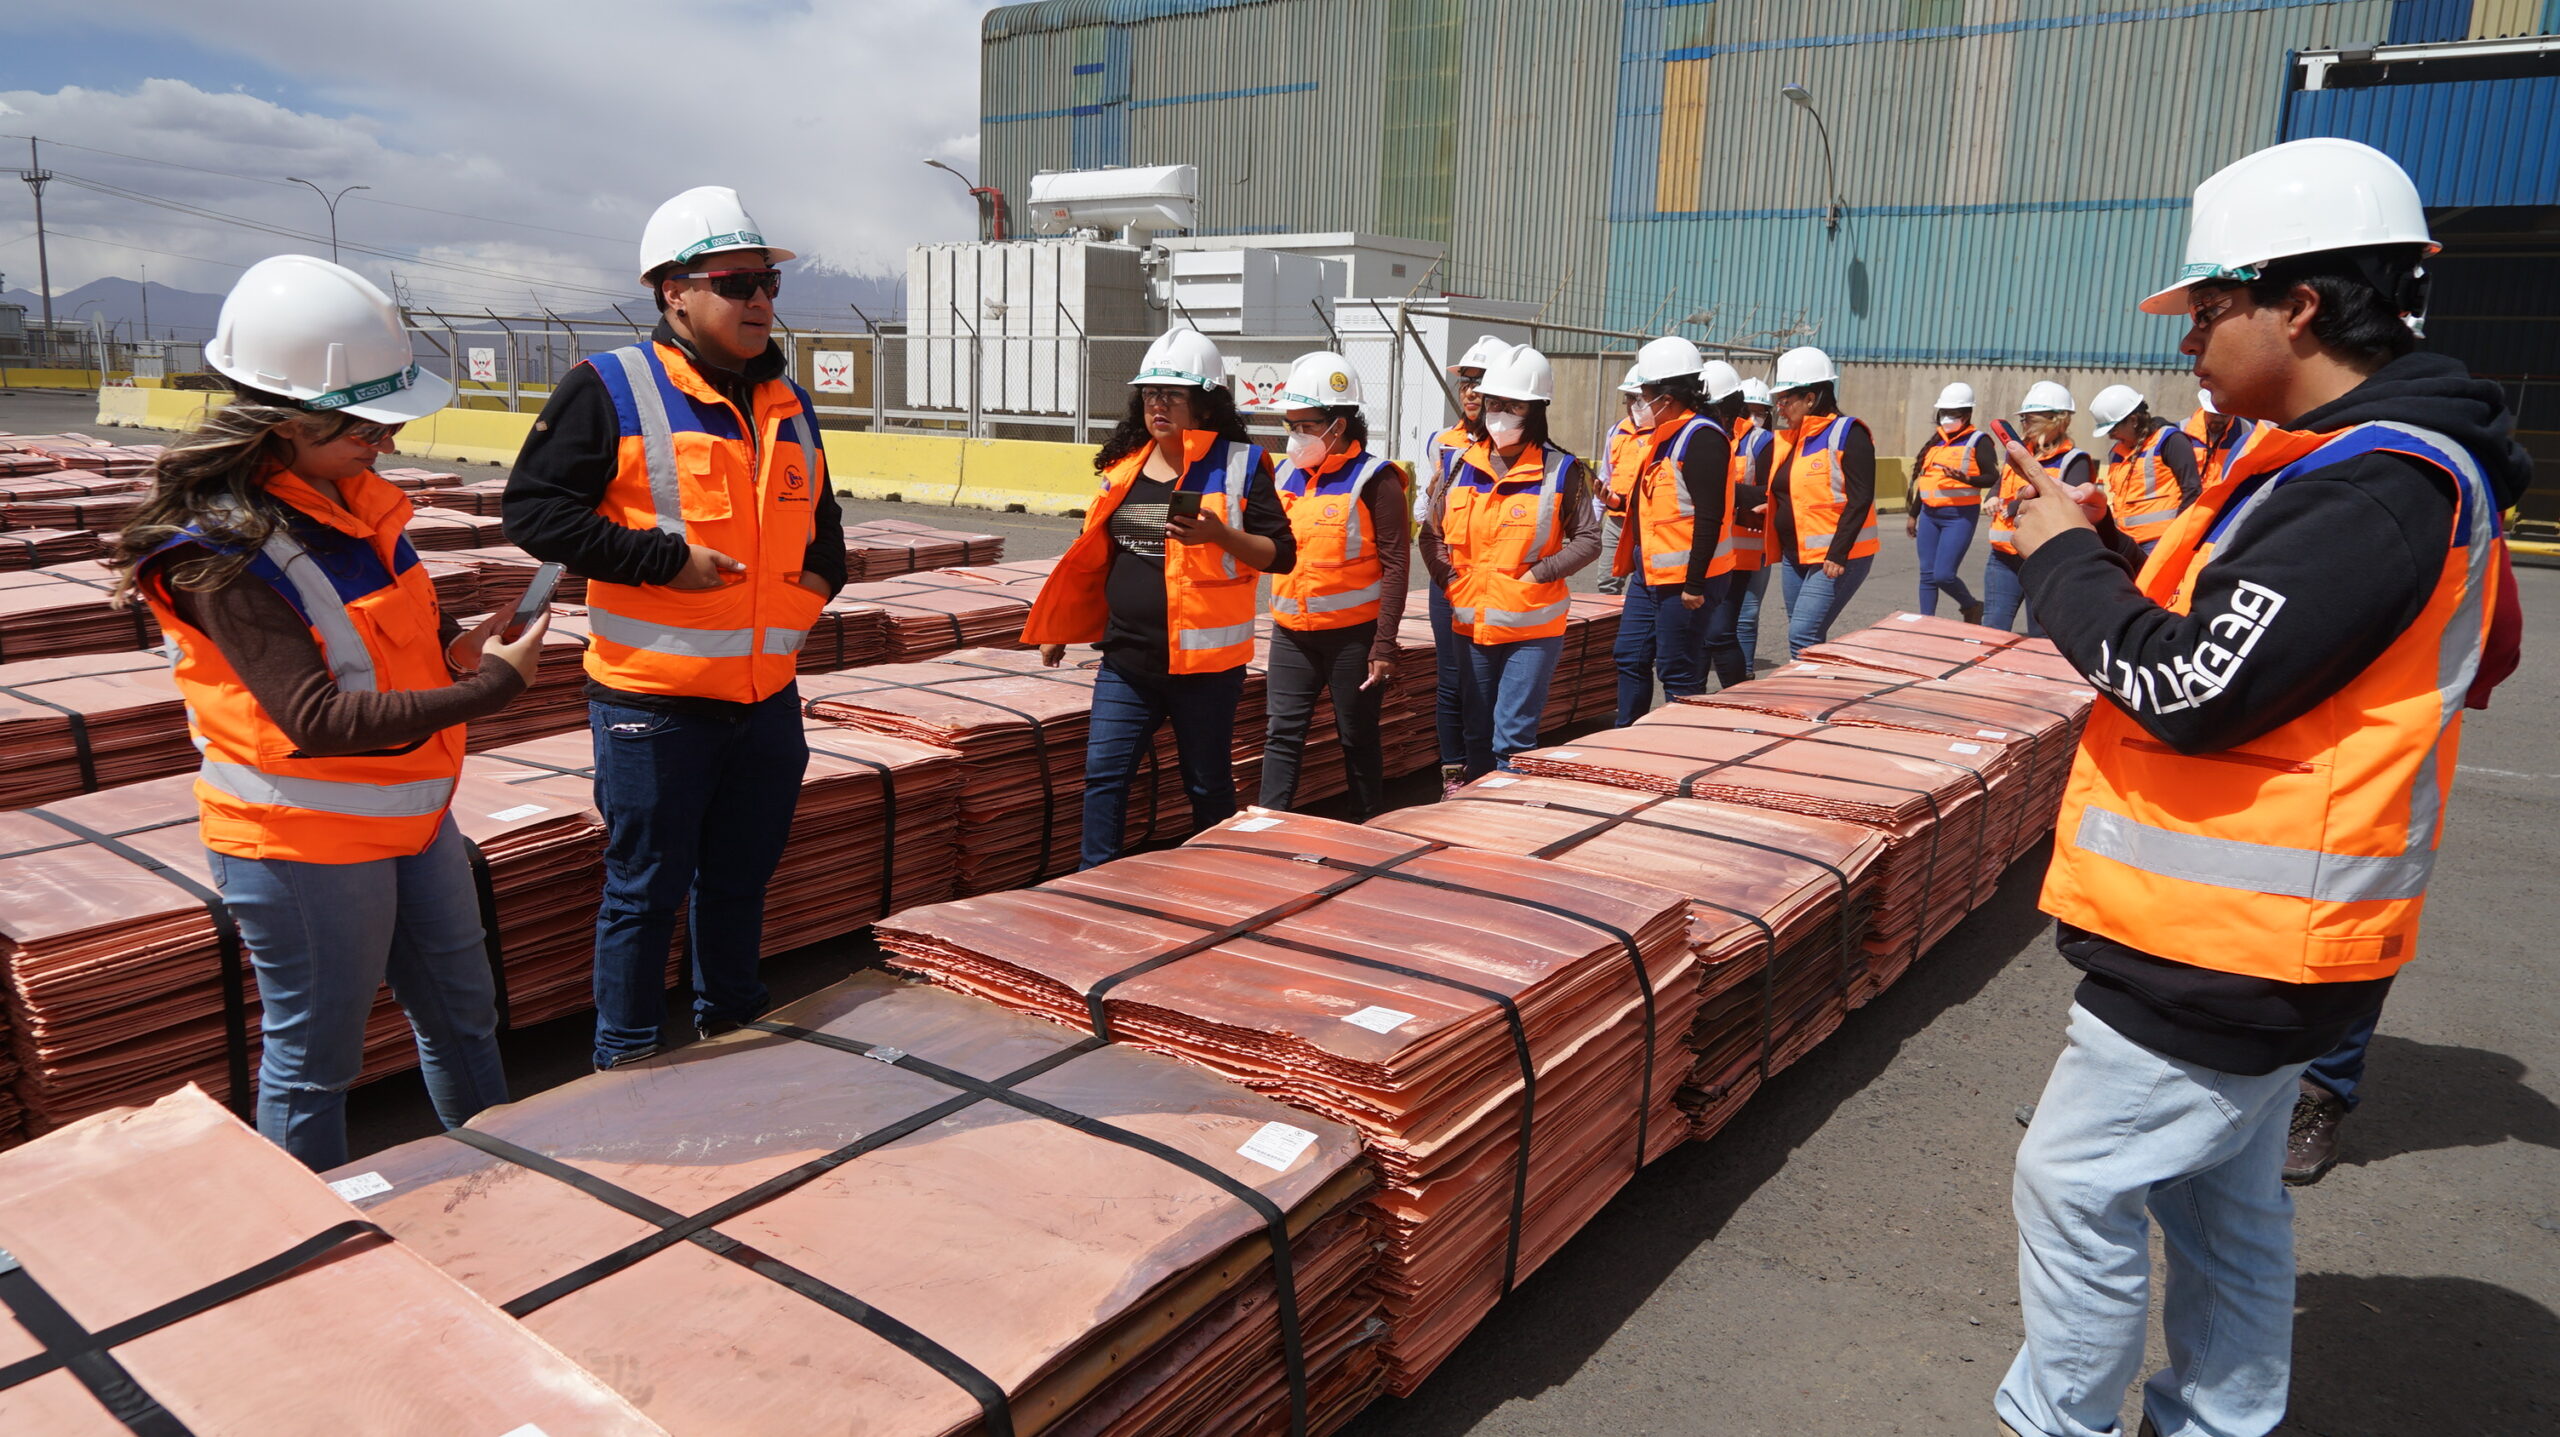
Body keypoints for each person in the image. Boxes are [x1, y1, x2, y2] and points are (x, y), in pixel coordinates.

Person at [1995, 137, 2525, 1437]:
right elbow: (2470, 647)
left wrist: (2065, 564)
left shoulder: (2377, 484)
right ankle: (2223, 1422)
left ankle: (2054, 1423)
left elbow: (2191, 686)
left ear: (2298, 305)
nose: (2191, 342)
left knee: (2073, 1187)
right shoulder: (2343, 465)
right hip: (2248, 941)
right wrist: (2115, 548)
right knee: (2221, 1204)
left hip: (2230, 950)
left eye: (2210, 308)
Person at [110, 255, 545, 1169]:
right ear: (287, 424)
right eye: (362, 428)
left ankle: (510, 1183)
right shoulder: (215, 552)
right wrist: (494, 686)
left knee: (466, 1021)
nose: (382, 446)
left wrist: (464, 648)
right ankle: (310, 1255)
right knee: (316, 1063)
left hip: (413, 815)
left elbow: (389, 642)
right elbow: (315, 715)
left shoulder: (354, 506)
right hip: (302, 843)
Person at [504, 186, 844, 1071]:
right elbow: (536, 514)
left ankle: (733, 1030)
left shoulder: (790, 404)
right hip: (654, 706)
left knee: (738, 883)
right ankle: (627, 1058)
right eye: (736, 283)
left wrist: (799, 604)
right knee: (644, 892)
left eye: (767, 281)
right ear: (673, 293)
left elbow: (828, 538)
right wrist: (662, 561)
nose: (761, 300)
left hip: (766, 703)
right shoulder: (609, 389)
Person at [1023, 327, 1295, 865]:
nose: (1158, 404)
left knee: (1206, 785)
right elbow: (1096, 558)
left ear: (1206, 402)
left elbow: (1280, 555)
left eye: (1172, 394)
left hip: (1206, 670)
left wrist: (1221, 535)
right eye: (1150, 394)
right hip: (1128, 660)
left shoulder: (1242, 465)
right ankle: (1095, 883)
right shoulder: (1124, 470)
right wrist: (1059, 627)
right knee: (1104, 778)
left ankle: (1215, 880)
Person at [1422, 344, 1600, 774]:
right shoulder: (1457, 465)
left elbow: (1589, 538)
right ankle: (1475, 813)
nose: (1499, 412)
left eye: (1512, 404)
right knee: (1476, 730)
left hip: (1532, 627)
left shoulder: (1563, 470)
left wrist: (1539, 574)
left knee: (1513, 736)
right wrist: (1450, 581)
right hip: (1470, 622)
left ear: (1536, 409)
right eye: (1493, 403)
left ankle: (1505, 816)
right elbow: (1431, 535)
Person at [1258, 350, 1409, 819]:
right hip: (1290, 632)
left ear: (1336, 425)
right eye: (1290, 425)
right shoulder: (1284, 474)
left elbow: (1397, 565)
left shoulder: (1375, 480)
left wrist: (1384, 644)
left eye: (1303, 425)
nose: (1294, 436)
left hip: (1353, 638)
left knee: (1357, 735)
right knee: (1282, 734)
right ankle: (1267, 822)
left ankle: (1365, 822)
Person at [1608, 336, 1733, 724]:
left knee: (1678, 670)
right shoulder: (1662, 438)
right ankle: (1625, 737)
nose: (1638, 404)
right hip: (1651, 574)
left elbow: (1709, 515)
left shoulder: (1702, 438)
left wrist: (1694, 583)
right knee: (1629, 655)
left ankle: (1681, 745)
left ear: (1668, 395)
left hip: (1687, 581)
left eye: (1643, 394)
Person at [1424, 336, 1511, 797]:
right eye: (1466, 383)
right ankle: (1454, 773)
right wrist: (1445, 575)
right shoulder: (1444, 443)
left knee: (1495, 679)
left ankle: (1495, 768)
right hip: (1452, 580)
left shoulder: (1518, 446)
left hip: (1498, 582)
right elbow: (1432, 519)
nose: (1471, 392)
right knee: (1453, 679)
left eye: (1481, 382)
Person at [1767, 346, 1877, 656]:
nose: (1780, 408)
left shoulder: (1848, 433)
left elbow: (1861, 498)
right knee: (1805, 635)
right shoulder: (1792, 439)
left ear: (1811, 397)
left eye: (1785, 400)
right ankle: (1814, 692)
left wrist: (1838, 553)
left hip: (1834, 557)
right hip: (1795, 554)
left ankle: (1804, 700)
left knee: (1803, 634)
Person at [1981, 383, 2092, 636]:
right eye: (2023, 419)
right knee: (1992, 631)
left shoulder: (2074, 460)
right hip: (2002, 556)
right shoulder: (2017, 453)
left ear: (2057, 420)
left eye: (2030, 419)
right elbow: (2002, 482)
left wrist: (2017, 505)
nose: (2024, 426)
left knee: (2042, 635)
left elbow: (2069, 505)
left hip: (2046, 559)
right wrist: (1992, 497)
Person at [1702, 364, 1771, 685]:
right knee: (1702, 632)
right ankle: (1693, 695)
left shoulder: (1761, 441)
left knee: (1726, 627)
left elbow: (1773, 492)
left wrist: (1723, 489)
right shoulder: (1705, 434)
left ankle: (1741, 689)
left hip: (1741, 550)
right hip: (1703, 546)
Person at [1906, 381, 1996, 621]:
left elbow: (1993, 476)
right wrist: (1913, 514)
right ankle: (1927, 622)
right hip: (1929, 515)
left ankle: (1971, 605)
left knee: (1943, 574)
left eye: (1953, 413)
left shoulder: (1978, 441)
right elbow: (1926, 481)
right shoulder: (1936, 442)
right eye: (1943, 412)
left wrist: (1966, 479)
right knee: (1927, 574)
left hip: (1958, 516)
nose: (1946, 418)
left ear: (1967, 415)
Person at [2088, 384, 2203, 554]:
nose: (2110, 436)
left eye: (2113, 429)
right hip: (2126, 541)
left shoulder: (2170, 441)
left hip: (2160, 542)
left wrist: (2177, 536)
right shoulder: (2117, 453)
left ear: (2133, 420)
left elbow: (2192, 490)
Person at [1728, 375, 1781, 672]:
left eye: (1760, 411)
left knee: (1747, 613)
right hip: (1723, 540)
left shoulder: (1766, 442)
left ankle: (1744, 671)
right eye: (1748, 409)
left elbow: (1767, 491)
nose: (1754, 417)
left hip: (1753, 538)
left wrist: (1724, 491)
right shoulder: (1723, 438)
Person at [1595, 362, 1646, 598]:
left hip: (1646, 522)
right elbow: (1605, 476)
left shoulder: (1663, 434)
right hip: (1615, 522)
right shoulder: (1616, 431)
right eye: (1628, 397)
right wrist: (1594, 523)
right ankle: (1611, 633)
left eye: (1639, 398)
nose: (1632, 405)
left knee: (1646, 584)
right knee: (1607, 583)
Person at [2184, 388, 2263, 491]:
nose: (2218, 419)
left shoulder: (2249, 433)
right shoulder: (2181, 430)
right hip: (2188, 502)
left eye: (2224, 415)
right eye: (2214, 414)